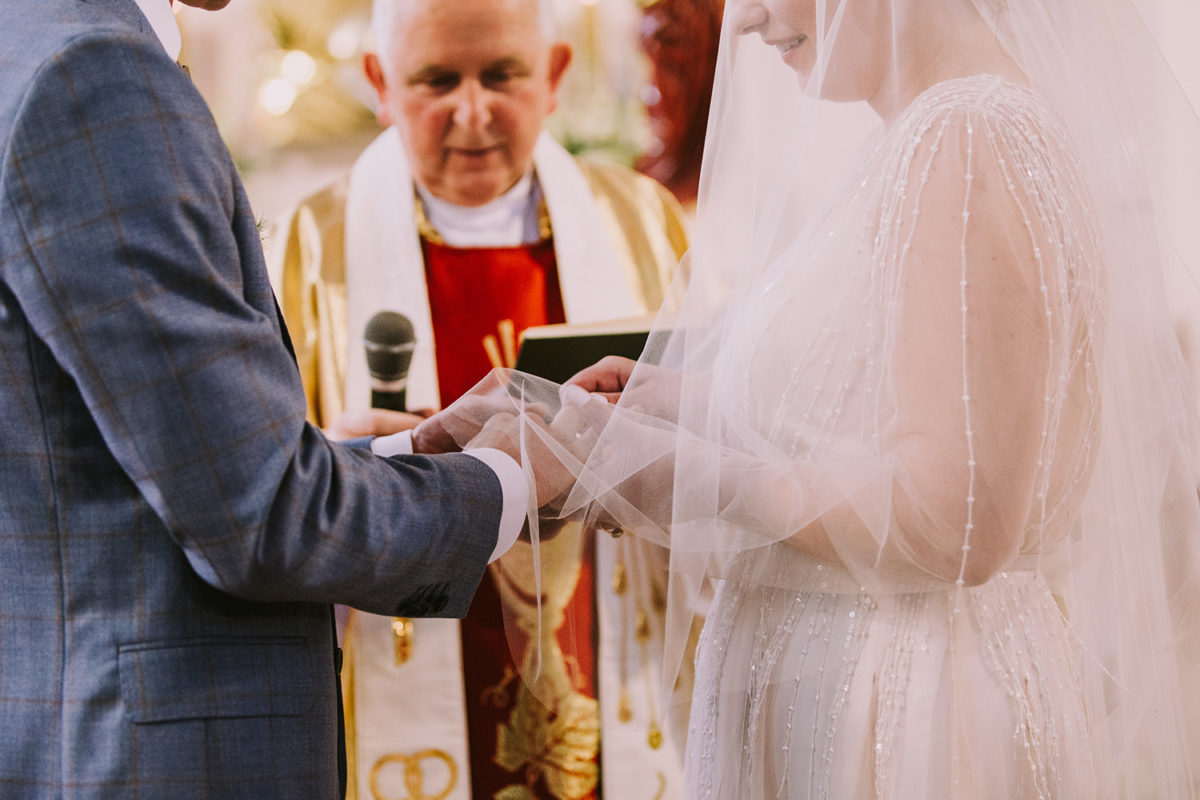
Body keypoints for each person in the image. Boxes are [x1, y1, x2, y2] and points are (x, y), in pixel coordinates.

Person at [414, 0, 1200, 796]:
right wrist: (701, 406)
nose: (748, 19)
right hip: (845, 683)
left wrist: (679, 469)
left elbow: (960, 519)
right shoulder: (916, 138)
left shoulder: (968, 141)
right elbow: (878, 409)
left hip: (900, 715)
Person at [0, 0, 535, 797]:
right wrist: (522, 474)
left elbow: (106, 468)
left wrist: (397, 454)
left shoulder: (29, 38)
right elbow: (265, 516)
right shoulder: (93, 75)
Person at [272, 0, 691, 797]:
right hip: (412, 645)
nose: (472, 112)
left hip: (613, 632)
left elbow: (709, 428)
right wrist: (352, 455)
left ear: (555, 75)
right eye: (435, 80)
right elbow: (266, 480)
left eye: (502, 75)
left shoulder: (641, 223)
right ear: (380, 83)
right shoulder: (310, 246)